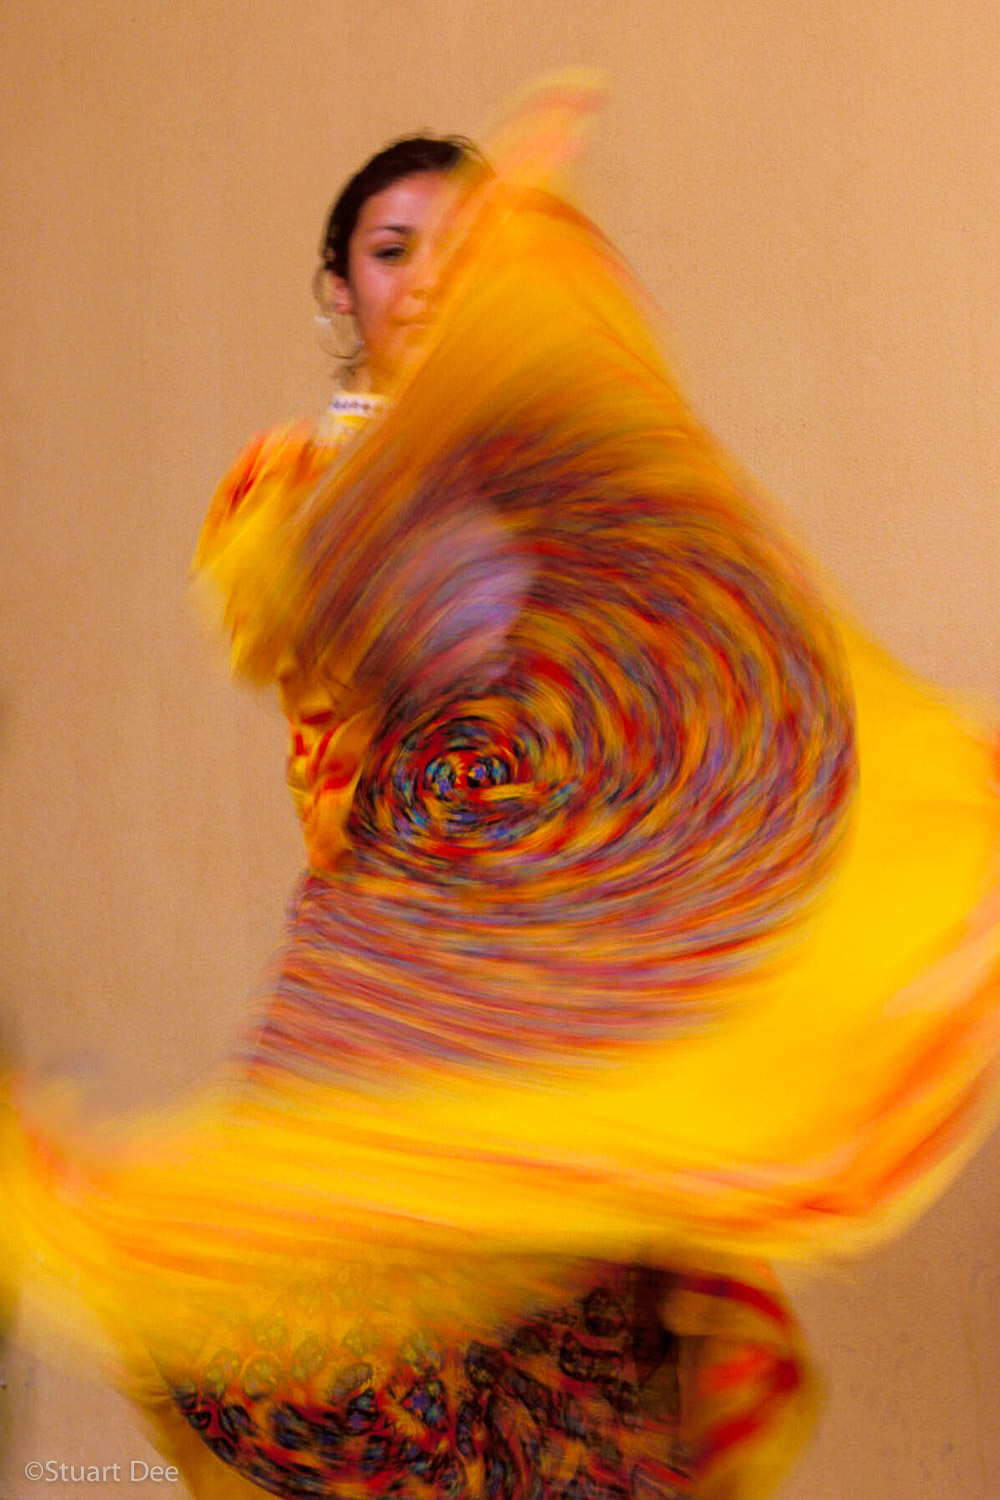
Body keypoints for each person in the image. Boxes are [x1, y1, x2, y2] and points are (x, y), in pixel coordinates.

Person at [6, 82, 1000, 1500]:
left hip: (582, 963)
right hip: (419, 964)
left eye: (459, 246)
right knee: (341, 1314)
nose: (419, 279)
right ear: (337, 287)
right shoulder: (291, 488)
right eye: (389, 248)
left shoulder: (572, 465)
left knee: (595, 1361)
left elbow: (693, 642)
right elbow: (303, 625)